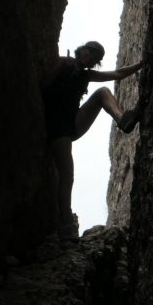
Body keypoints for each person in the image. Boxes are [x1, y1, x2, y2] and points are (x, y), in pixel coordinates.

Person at [42, 41, 142, 240]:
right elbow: (43, 87)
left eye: (95, 58)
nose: (91, 58)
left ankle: (123, 119)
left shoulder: (87, 76)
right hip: (56, 127)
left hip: (72, 123)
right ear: (82, 50)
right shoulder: (64, 63)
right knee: (67, 174)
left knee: (102, 93)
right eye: (91, 53)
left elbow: (117, 74)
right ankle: (66, 226)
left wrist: (141, 64)